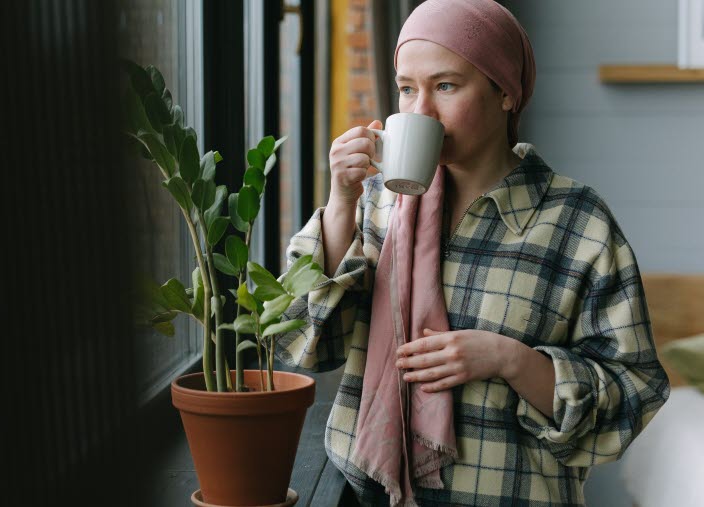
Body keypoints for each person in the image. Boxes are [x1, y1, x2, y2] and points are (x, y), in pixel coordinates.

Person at [275, 0, 670, 505]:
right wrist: (339, 203)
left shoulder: (577, 222)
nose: (420, 111)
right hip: (364, 492)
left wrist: (510, 360)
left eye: (445, 86)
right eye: (405, 89)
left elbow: (632, 391)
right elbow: (306, 343)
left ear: (505, 91)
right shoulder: (376, 203)